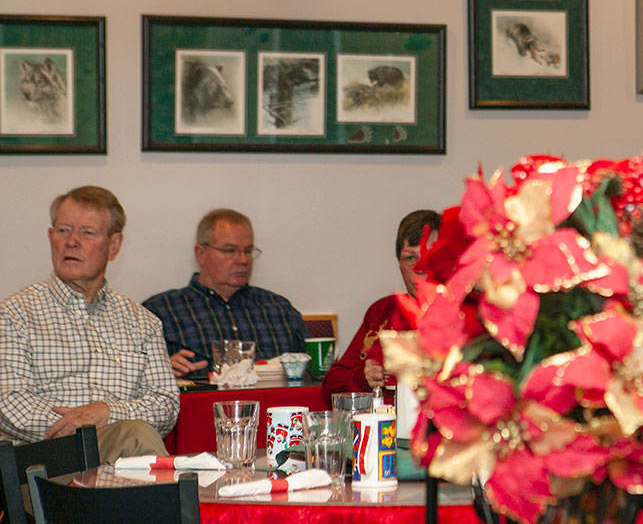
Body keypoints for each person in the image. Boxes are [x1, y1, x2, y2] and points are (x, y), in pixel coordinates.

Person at [0, 186, 178, 461]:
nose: (72, 241)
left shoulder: (143, 323)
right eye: (63, 230)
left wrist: (108, 412)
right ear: (50, 237)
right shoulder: (14, 314)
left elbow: (165, 405)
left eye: (87, 232)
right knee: (136, 439)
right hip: (43, 461)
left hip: (122, 456)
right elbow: (10, 405)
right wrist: (81, 428)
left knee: (135, 445)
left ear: (114, 245)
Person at [143, 208, 309, 378]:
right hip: (200, 403)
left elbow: (314, 372)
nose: (243, 260)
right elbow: (135, 380)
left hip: (277, 403)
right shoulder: (161, 312)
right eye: (230, 251)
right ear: (200, 254)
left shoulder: (279, 309)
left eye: (248, 251)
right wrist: (161, 371)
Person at [322, 210, 441, 400]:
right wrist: (363, 377)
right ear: (399, 264)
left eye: (430, 255)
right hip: (387, 426)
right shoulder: (382, 312)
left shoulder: (468, 313)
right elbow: (331, 385)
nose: (420, 269)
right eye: (410, 258)